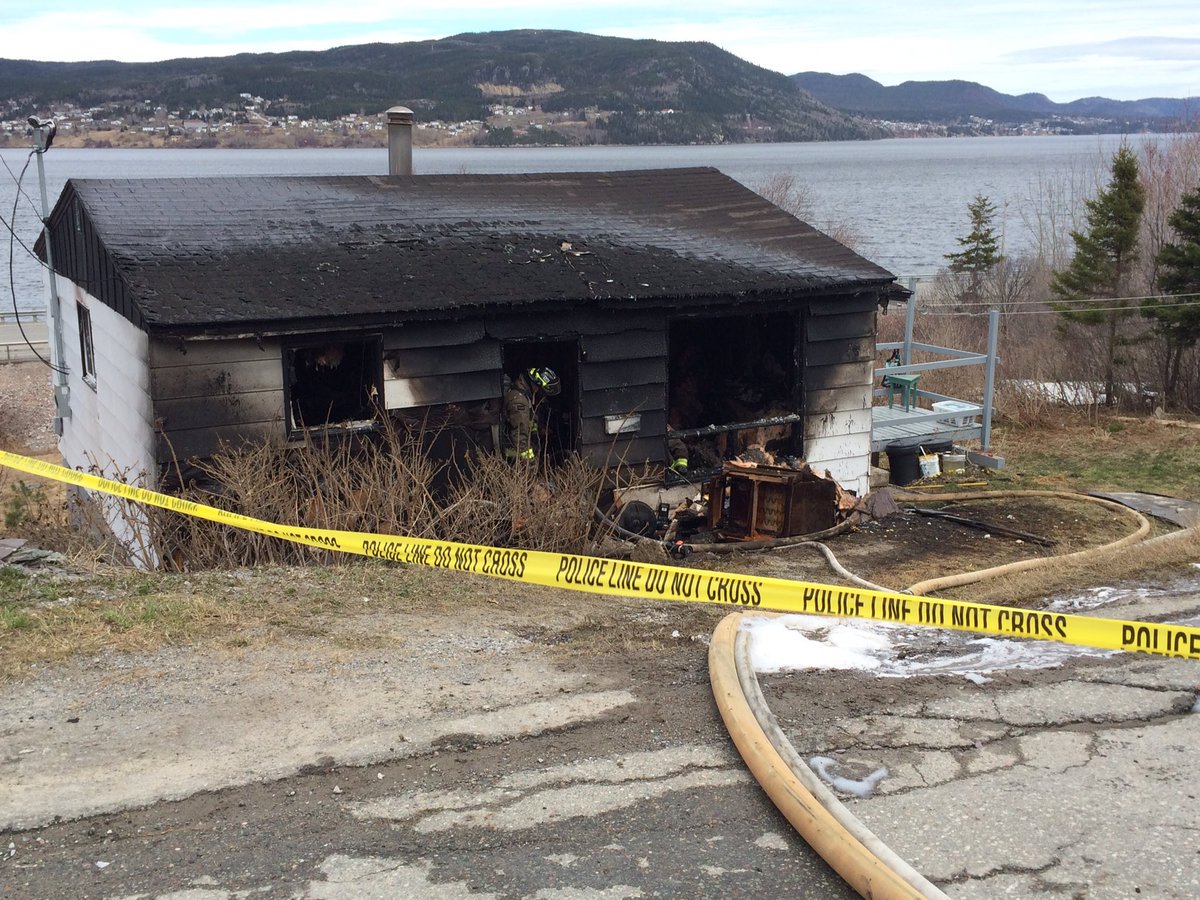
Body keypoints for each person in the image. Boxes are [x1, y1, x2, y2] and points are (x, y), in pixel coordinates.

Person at [504, 366, 561, 461]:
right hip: (513, 454)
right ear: (535, 386)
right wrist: (530, 462)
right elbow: (519, 435)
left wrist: (538, 431)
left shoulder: (525, 396)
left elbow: (528, 423)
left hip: (522, 447)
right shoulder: (520, 401)